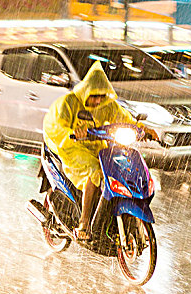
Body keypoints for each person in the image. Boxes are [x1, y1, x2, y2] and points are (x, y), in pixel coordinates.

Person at [43, 61, 157, 240]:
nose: (97, 100)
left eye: (101, 96)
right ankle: (84, 222)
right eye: (94, 96)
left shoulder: (107, 105)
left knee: (118, 170)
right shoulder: (69, 102)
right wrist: (72, 133)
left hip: (97, 145)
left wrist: (143, 129)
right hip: (71, 147)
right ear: (86, 91)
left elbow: (123, 118)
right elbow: (55, 125)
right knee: (96, 171)